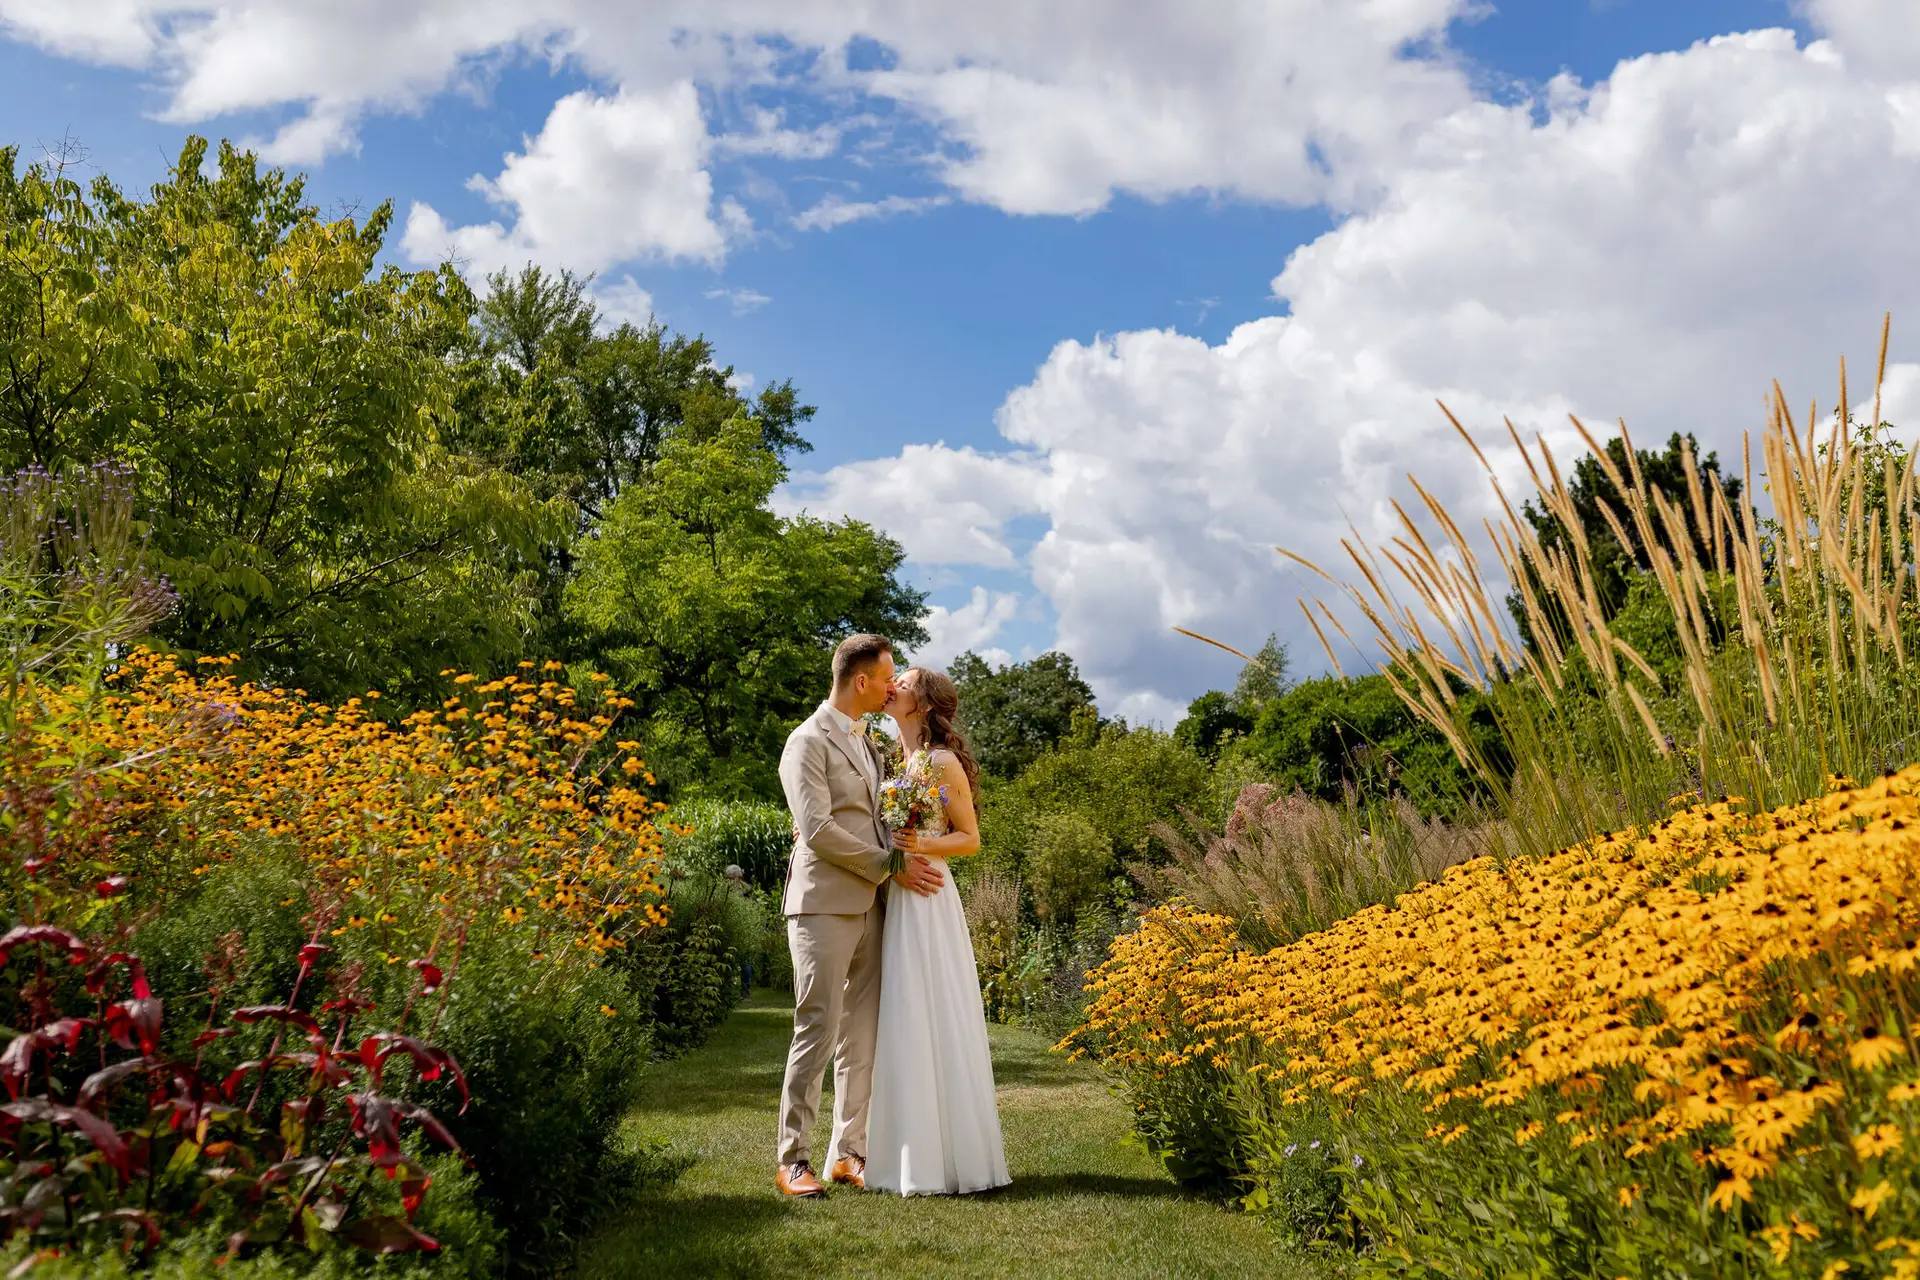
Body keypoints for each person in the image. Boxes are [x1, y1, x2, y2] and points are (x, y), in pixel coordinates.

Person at [773, 634, 945, 1198]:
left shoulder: (870, 744)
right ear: (862, 680)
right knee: (817, 1029)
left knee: (862, 1037)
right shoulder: (806, 742)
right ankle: (792, 1158)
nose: (893, 685)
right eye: (888, 676)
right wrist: (890, 864)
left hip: (874, 906)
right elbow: (818, 830)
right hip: (823, 904)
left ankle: (849, 1153)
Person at [865, 666, 1011, 1196]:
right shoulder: (895, 761)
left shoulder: (941, 762)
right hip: (900, 897)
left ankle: (950, 1160)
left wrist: (916, 849)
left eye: (901, 682)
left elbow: (969, 838)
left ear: (922, 704)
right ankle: (906, 1155)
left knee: (931, 1011)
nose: (892, 685)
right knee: (904, 1015)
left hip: (927, 895)